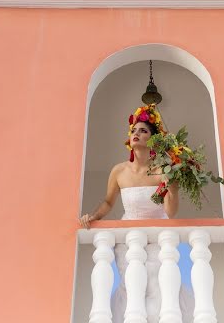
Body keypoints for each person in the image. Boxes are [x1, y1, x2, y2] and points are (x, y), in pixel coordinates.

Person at [79, 105, 194, 323]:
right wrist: (94, 216)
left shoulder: (163, 170)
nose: (136, 134)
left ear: (153, 140)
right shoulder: (119, 171)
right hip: (128, 239)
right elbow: (107, 202)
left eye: (143, 131)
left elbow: (170, 211)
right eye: (134, 131)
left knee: (159, 284)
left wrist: (174, 189)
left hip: (158, 239)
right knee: (133, 286)